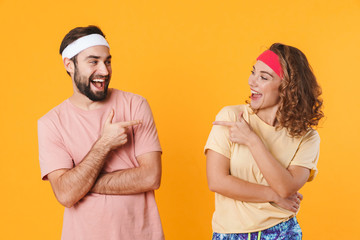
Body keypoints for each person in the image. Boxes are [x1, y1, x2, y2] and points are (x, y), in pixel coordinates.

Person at [38, 26, 164, 240]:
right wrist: (104, 143)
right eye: (93, 62)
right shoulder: (51, 123)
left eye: (107, 61)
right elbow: (66, 195)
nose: (105, 71)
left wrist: (82, 183)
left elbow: (151, 177)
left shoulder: (135, 105)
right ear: (69, 65)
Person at [205, 43, 323, 240]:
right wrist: (274, 195)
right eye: (253, 73)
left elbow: (286, 187)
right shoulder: (232, 117)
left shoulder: (307, 137)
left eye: (264, 77)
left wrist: (252, 140)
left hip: (283, 232)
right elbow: (217, 181)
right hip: (231, 233)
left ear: (287, 88)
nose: (252, 81)